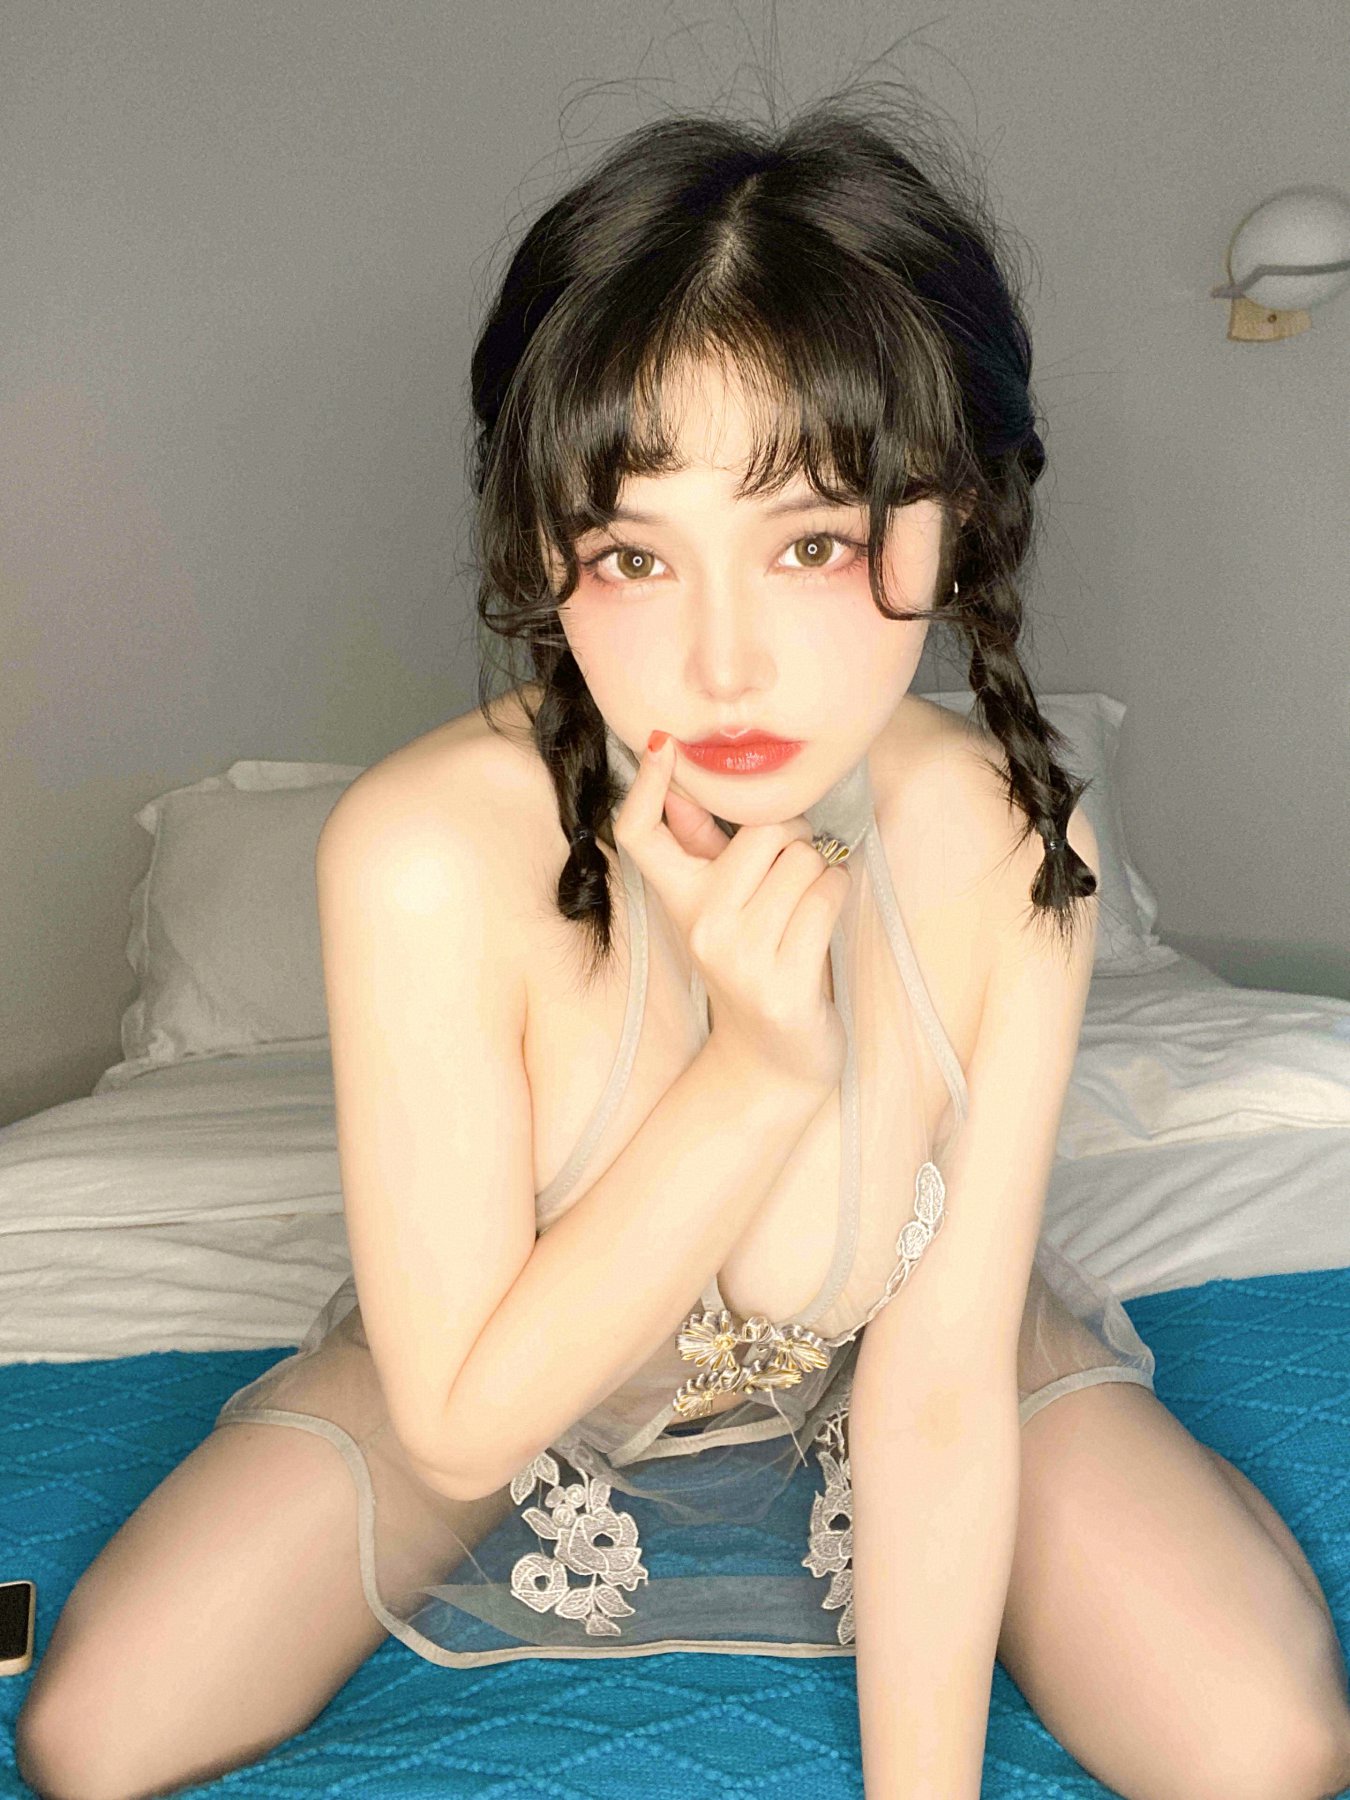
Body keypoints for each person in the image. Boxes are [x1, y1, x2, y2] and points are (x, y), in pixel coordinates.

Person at [17, 88, 1350, 1800]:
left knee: (1264, 1750)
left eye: (812, 542)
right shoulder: (424, 853)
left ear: (956, 519)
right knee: (94, 1737)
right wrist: (757, 1071)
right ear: (545, 553)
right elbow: (462, 1420)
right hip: (506, 1377)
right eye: (633, 557)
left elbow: (936, 1385)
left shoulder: (1012, 844)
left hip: (893, 1360)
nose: (721, 668)